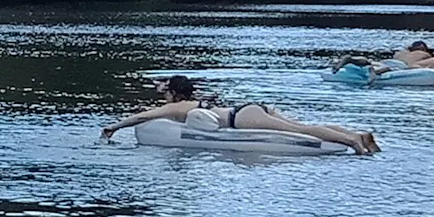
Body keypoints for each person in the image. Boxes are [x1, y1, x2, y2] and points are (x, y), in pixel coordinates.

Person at [100, 75, 378, 154]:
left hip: (241, 118)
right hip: (247, 109)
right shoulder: (195, 102)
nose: (163, 97)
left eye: (165, 92)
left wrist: (113, 127)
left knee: (301, 131)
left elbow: (140, 117)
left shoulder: (176, 107)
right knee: (300, 125)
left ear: (174, 92)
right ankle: (358, 135)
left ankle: (353, 140)